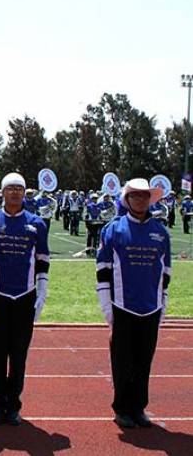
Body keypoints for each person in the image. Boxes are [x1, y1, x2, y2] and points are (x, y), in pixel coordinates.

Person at [96, 178, 171, 428]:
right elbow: (103, 269)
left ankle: (139, 407)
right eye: (135, 195)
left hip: (151, 306)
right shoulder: (113, 229)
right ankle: (122, 407)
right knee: (122, 360)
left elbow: (166, 273)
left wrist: (163, 303)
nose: (140, 199)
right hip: (122, 307)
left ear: (150, 199)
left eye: (144, 195)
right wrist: (107, 306)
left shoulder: (161, 233)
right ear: (126, 199)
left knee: (143, 360)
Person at [0, 173, 50, 426]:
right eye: (9, 189)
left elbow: (43, 262)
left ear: (24, 193)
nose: (14, 193)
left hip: (25, 298)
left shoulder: (37, 224)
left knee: (19, 355)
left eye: (18, 189)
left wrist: (41, 293)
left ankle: (14, 406)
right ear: (2, 192)